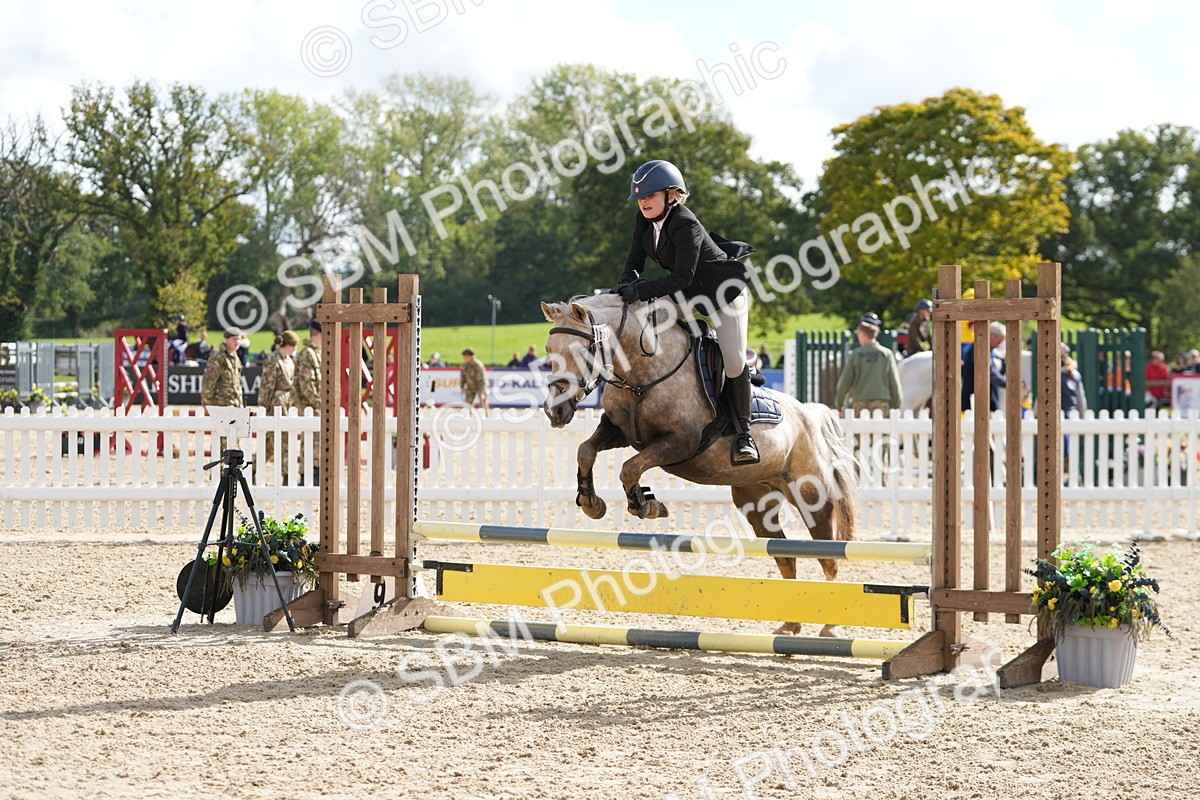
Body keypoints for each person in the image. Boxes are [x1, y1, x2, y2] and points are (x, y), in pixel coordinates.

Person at [615, 159, 760, 464]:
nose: (643, 202)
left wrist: (641, 290)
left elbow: (682, 277)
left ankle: (744, 434)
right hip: (690, 292)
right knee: (647, 319)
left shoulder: (686, 223)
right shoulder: (643, 221)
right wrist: (626, 282)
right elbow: (634, 263)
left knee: (734, 361)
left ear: (671, 195)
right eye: (640, 197)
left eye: (650, 196)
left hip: (723, 293)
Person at [833, 313, 902, 415]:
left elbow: (844, 383)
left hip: (859, 404)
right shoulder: (887, 354)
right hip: (881, 404)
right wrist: (896, 405)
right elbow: (894, 381)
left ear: (862, 334)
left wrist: (839, 405)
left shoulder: (855, 355)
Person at [259, 330, 298, 469]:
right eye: (294, 345)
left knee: (271, 444)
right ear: (287, 345)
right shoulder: (273, 359)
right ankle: (285, 472)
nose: (295, 348)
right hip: (276, 402)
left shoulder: (289, 360)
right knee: (281, 440)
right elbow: (267, 385)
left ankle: (255, 467)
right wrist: (263, 405)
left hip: (287, 401)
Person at [292, 320, 323, 485]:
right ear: (318, 333)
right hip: (310, 405)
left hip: (315, 405)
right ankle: (307, 476)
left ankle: (315, 474)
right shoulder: (308, 353)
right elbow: (306, 384)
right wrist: (319, 403)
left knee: (317, 442)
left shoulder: (316, 352)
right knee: (310, 443)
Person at [961, 322, 1007, 413]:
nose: (998, 345)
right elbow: (990, 373)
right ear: (992, 336)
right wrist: (1009, 383)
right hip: (976, 401)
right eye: (999, 341)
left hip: (985, 400)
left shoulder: (989, 350)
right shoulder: (980, 349)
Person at [200, 328, 244, 410]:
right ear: (226, 339)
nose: (237, 342)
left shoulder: (236, 358)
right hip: (221, 405)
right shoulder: (218, 358)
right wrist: (207, 404)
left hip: (235, 404)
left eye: (239, 339)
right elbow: (208, 381)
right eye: (234, 339)